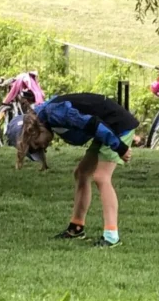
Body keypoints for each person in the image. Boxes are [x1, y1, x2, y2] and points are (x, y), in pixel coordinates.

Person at [13, 90, 138, 247]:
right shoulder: (45, 115)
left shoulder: (56, 113)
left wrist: (120, 147)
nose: (43, 147)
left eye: (38, 144)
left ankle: (112, 236)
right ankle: (76, 228)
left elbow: (94, 124)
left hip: (117, 127)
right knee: (82, 173)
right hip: (106, 129)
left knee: (101, 176)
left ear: (34, 130)